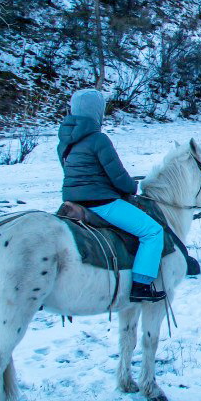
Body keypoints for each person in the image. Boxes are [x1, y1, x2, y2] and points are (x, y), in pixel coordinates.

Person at [59, 88, 167, 303]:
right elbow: (118, 177)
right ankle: (141, 285)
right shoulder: (99, 139)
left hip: (73, 203)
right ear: (97, 112)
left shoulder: (65, 142)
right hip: (102, 203)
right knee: (153, 232)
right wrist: (132, 187)